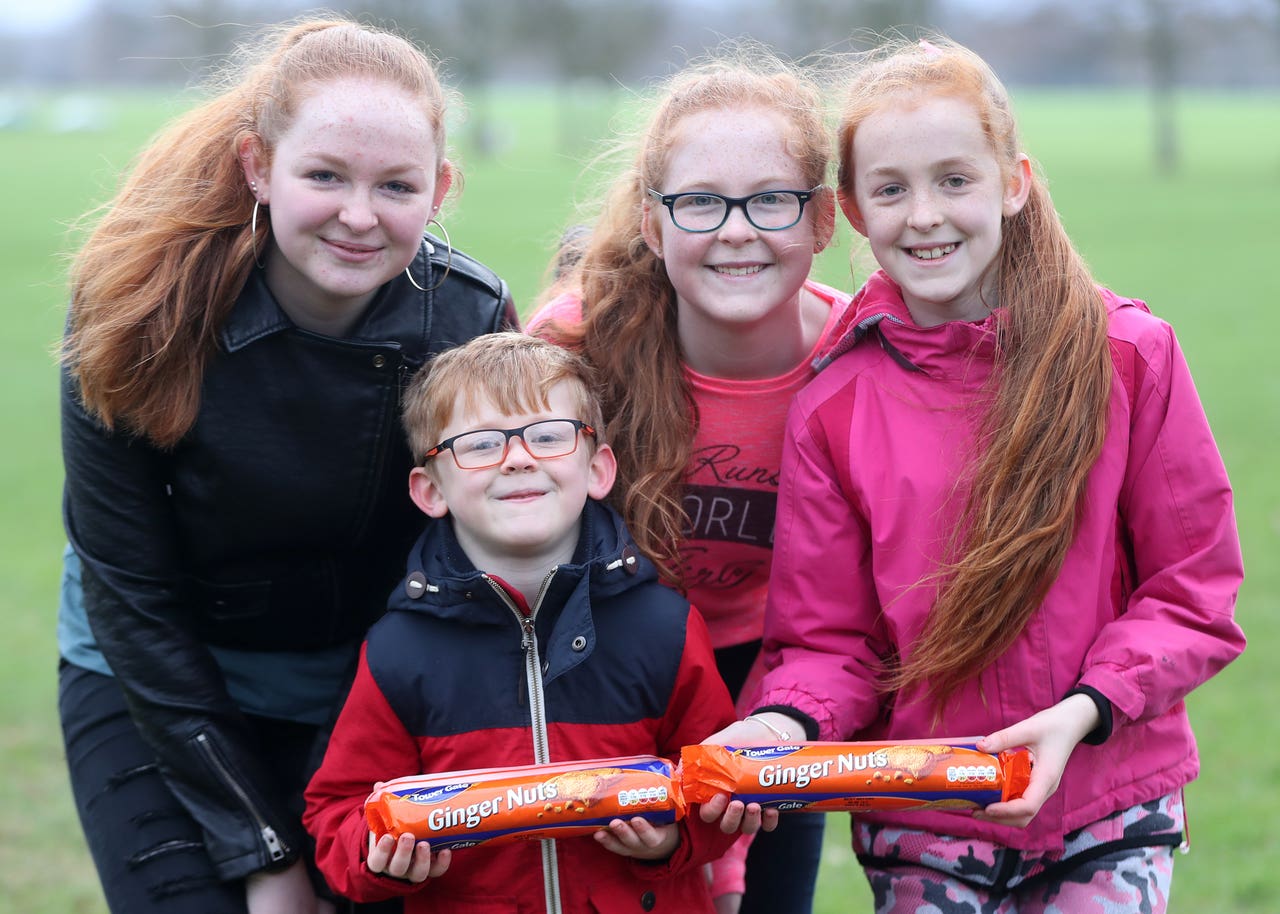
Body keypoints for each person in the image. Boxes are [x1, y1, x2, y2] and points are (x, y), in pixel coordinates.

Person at [707, 34, 1247, 914]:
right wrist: (785, 721)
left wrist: (1085, 711)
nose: (924, 215)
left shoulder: (1129, 357)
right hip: (923, 810)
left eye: (954, 179)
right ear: (853, 209)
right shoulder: (834, 402)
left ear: (1014, 182)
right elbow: (829, 639)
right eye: (891, 189)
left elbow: (1193, 590)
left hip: (1108, 802)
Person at [57, 18, 518, 914]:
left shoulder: (470, 321)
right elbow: (131, 594)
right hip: (152, 676)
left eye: (396, 185)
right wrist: (264, 851)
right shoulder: (133, 313)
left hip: (365, 683)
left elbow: (461, 570)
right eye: (324, 176)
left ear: (441, 189)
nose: (358, 214)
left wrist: (322, 815)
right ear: (258, 167)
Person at [525, 43, 853, 914]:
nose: (737, 229)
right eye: (701, 202)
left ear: (823, 221)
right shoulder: (570, 347)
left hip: (775, 673)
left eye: (771, 200)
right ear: (652, 221)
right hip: (603, 668)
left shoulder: (862, 357)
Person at [302, 332, 737, 912]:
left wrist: (672, 839)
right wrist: (380, 856)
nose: (518, 457)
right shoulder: (397, 651)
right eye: (480, 445)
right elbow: (337, 813)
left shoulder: (666, 627)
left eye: (549, 436)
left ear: (598, 469)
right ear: (430, 489)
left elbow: (723, 791)